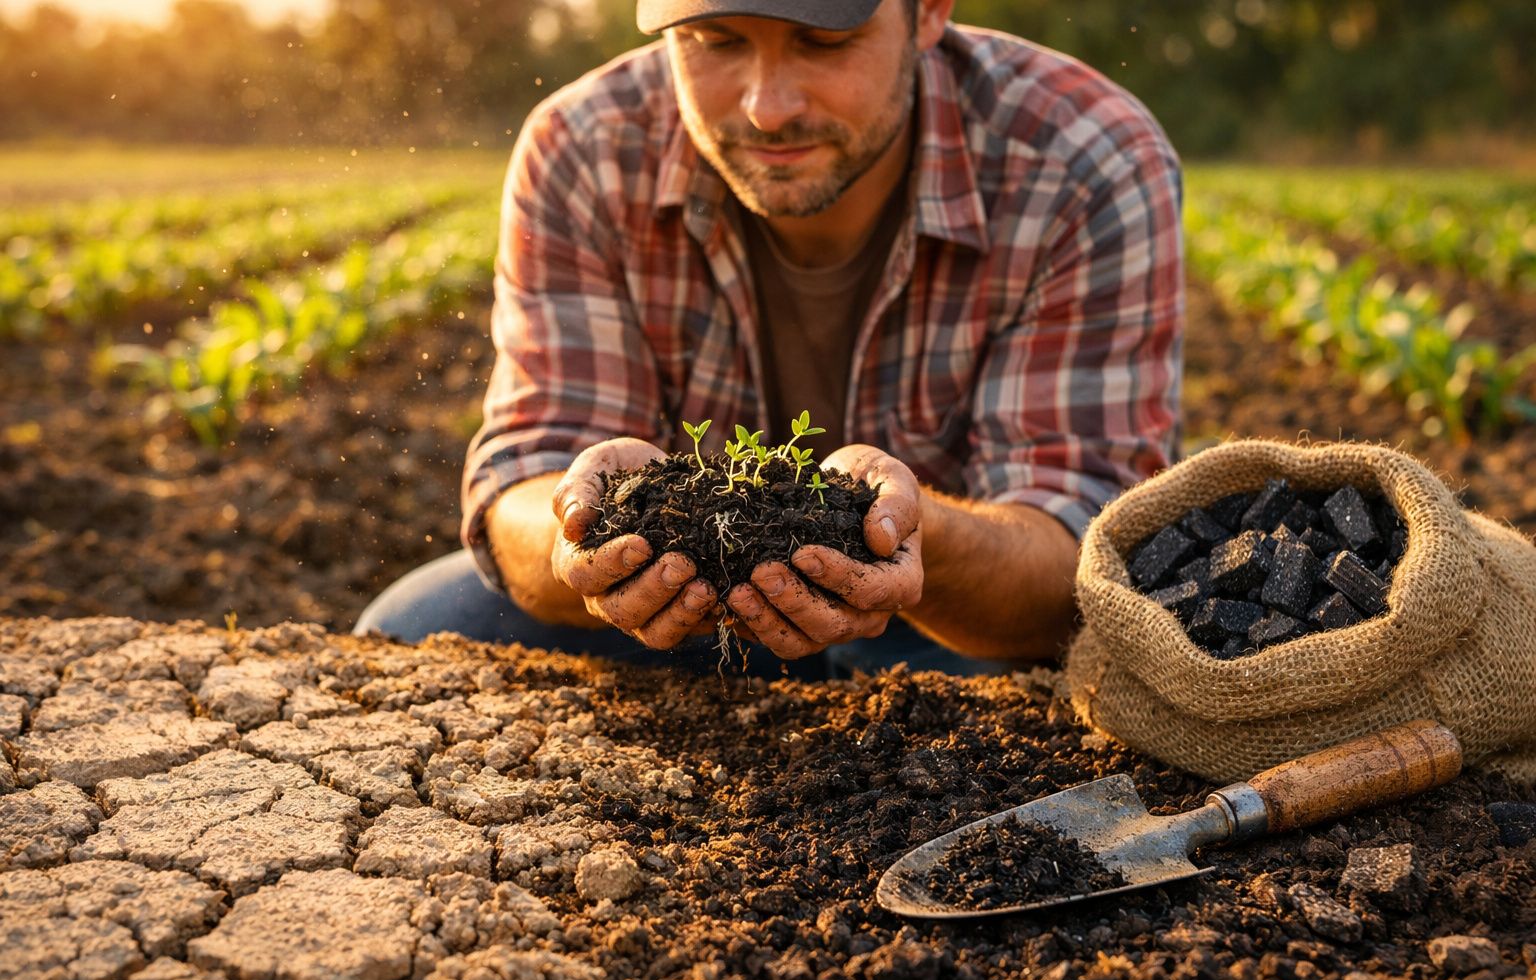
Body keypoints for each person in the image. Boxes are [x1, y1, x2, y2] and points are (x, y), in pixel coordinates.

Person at [355, 0, 1184, 678]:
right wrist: (585, 533)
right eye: (715, 41)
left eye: (824, 42)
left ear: (929, 11)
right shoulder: (586, 147)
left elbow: (1083, 560)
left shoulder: (1082, 156)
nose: (768, 106)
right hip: (675, 618)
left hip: (954, 628)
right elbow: (527, 486)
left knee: (1108, 670)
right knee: (412, 632)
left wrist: (908, 533)